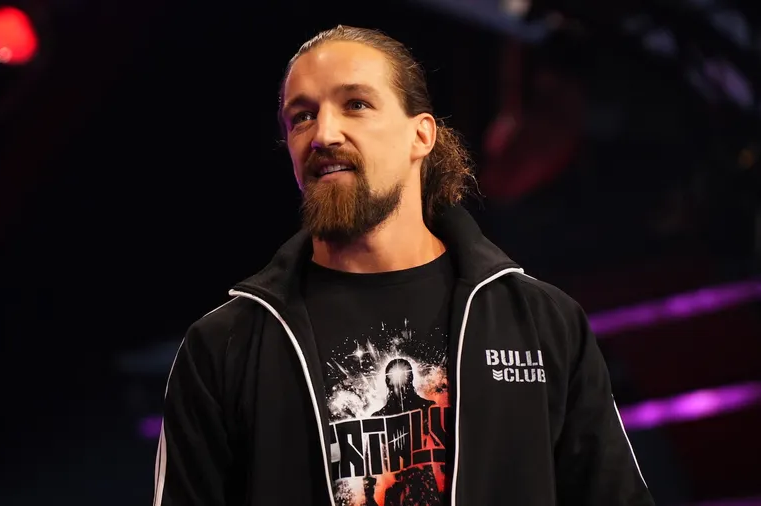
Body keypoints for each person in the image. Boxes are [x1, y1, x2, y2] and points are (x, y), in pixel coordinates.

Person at [153, 25, 654, 506]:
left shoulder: (543, 322)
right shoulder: (225, 345)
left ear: (422, 136)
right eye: (302, 116)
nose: (324, 133)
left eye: (356, 104)